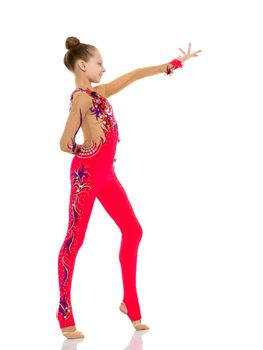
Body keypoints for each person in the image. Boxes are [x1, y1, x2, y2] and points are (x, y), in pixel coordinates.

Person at [56, 36, 202, 339]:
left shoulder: (99, 93)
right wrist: (85, 150)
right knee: (75, 240)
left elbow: (134, 75)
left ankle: (130, 303)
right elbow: (64, 143)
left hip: (107, 177)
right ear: (83, 65)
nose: (104, 69)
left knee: (133, 231)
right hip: (85, 178)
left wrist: (172, 65)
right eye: (99, 63)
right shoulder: (81, 99)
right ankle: (64, 311)